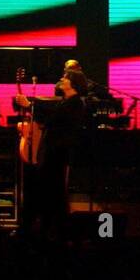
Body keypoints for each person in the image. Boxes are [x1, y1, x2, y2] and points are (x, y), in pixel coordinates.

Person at [16, 70, 88, 238]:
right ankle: (48, 228)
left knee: (52, 190)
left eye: (65, 78)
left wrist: (29, 105)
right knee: (52, 192)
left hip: (58, 153)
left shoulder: (75, 103)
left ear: (73, 84)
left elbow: (53, 118)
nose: (61, 79)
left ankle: (50, 229)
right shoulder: (67, 102)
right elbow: (50, 116)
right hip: (55, 152)